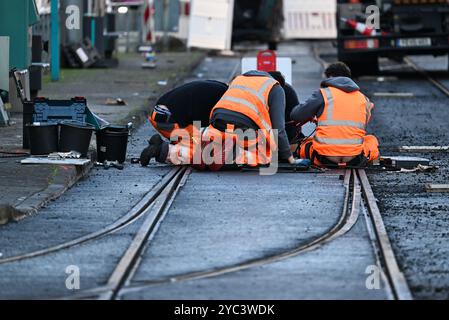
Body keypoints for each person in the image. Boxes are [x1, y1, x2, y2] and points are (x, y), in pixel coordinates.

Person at [143, 70, 299, 169]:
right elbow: (277, 129)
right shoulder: (272, 89)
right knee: (208, 153)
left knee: (211, 144)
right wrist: (288, 157)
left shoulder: (234, 86)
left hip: (160, 115)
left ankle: (164, 146)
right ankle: (163, 151)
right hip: (171, 122)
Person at [290, 62, 379, 167]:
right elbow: (359, 124)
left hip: (323, 158)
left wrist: (315, 114)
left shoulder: (323, 94)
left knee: (304, 144)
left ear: (330, 77)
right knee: (371, 140)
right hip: (354, 158)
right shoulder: (363, 99)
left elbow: (295, 115)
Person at [141, 80, 228, 166]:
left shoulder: (221, 88)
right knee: (199, 153)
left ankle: (161, 144)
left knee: (193, 140)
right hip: (169, 121)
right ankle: (158, 150)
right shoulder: (225, 101)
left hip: (161, 113)